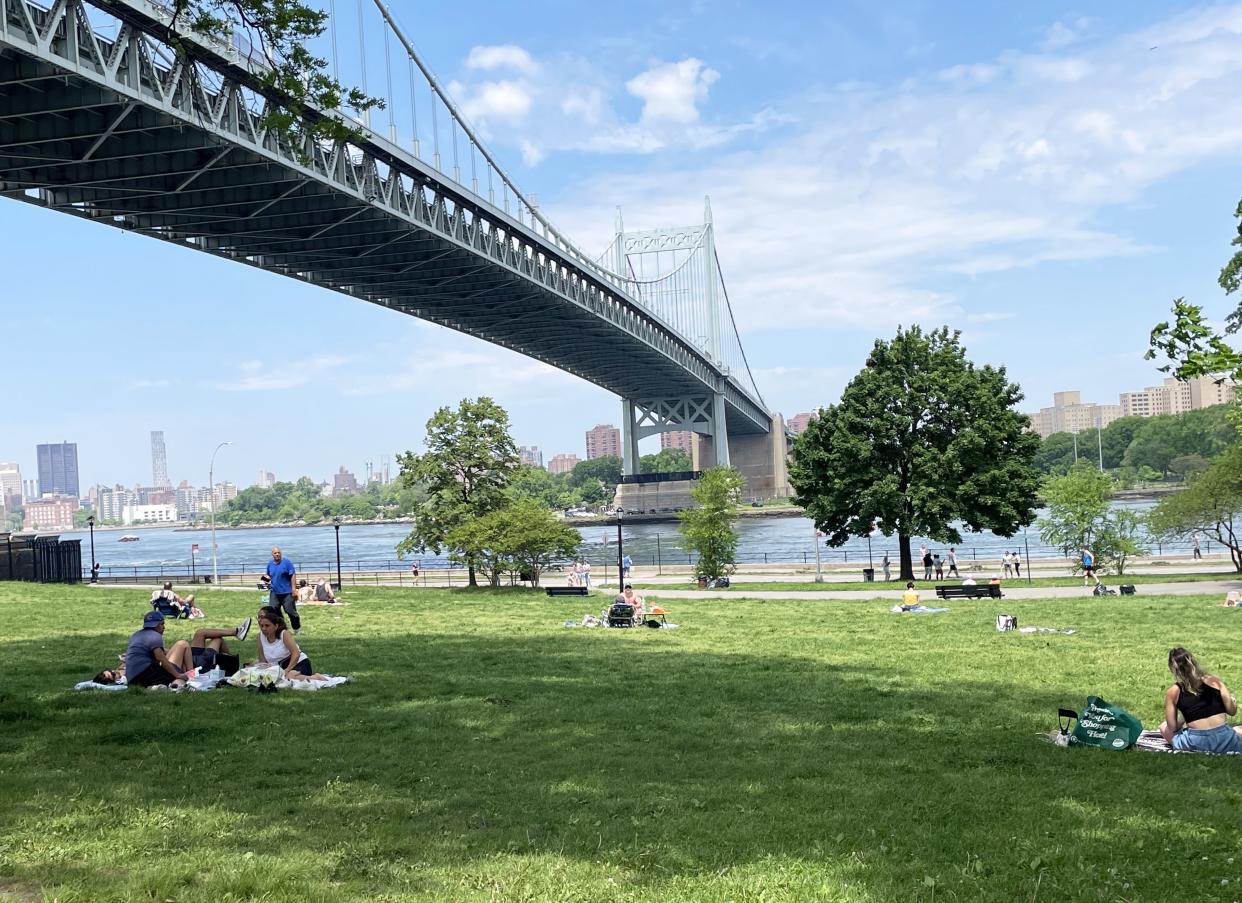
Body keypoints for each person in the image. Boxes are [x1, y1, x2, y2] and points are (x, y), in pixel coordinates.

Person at [1159, 647, 1242, 753]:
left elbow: (1172, 727)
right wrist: (1232, 701)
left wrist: (1184, 717)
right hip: (1225, 739)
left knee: (1163, 727)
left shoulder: (1173, 691)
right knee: (1238, 730)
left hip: (1196, 743)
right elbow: (1232, 711)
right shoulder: (1214, 682)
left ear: (1173, 669)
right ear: (1193, 662)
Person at [254, 607, 327, 681]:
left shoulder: (284, 634)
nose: (264, 629)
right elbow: (262, 659)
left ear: (276, 626)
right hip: (280, 667)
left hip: (298, 663)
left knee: (289, 677)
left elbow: (296, 653)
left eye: (267, 626)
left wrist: (287, 670)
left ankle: (317, 678)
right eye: (262, 626)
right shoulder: (259, 637)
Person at [261, 546, 301, 632]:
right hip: (274, 592)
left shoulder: (287, 563)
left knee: (290, 611)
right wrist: (264, 581)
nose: (277, 554)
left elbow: (293, 575)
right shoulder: (270, 564)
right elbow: (268, 576)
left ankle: (296, 628)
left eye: (279, 553)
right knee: (273, 611)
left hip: (287, 592)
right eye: (275, 553)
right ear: (272, 554)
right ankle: (282, 628)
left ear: (281, 553)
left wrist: (294, 589)